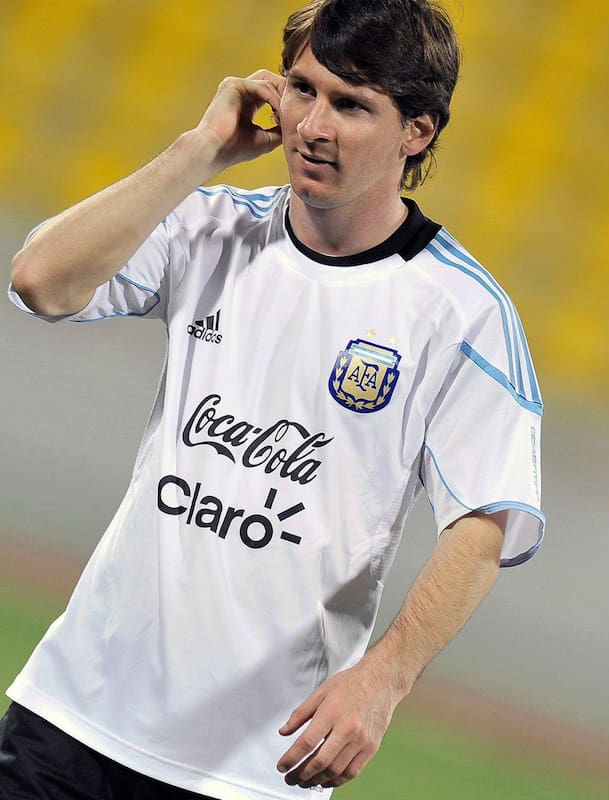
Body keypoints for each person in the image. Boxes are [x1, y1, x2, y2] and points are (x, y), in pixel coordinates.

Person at [1, 0, 544, 797]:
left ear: (418, 130)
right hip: (74, 718)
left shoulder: (462, 313)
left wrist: (384, 680)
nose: (312, 126)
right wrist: (198, 151)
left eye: (351, 104)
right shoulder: (214, 228)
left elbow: (484, 524)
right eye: (302, 89)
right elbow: (39, 282)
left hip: (254, 768)